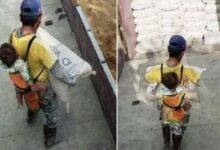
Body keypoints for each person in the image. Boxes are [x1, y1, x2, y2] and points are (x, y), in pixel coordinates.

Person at [9, 0, 75, 148]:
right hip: (40, 86)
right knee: (51, 111)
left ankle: (31, 114)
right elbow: (57, 69)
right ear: (39, 18)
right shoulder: (39, 44)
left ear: (21, 17)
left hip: (23, 84)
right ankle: (49, 140)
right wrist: (71, 80)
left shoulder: (13, 35)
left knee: (30, 100)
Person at [145, 35, 202, 150]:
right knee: (178, 130)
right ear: (182, 52)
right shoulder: (187, 71)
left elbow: (147, 78)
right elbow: (196, 82)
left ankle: (166, 144)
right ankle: (176, 148)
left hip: (164, 107)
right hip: (178, 110)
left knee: (165, 123)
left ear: (168, 50)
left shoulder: (156, 70)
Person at [0, 43, 43, 109]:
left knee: (18, 93)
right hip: (25, 86)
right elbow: (26, 77)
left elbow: (4, 55)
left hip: (17, 85)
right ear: (15, 53)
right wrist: (32, 85)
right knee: (40, 88)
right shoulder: (19, 64)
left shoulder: (4, 65)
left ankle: (20, 104)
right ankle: (40, 101)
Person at [155, 72, 191, 150]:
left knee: (165, 127)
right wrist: (186, 117)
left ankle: (166, 144)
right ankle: (176, 147)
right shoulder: (181, 94)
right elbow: (187, 106)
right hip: (177, 119)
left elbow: (159, 105)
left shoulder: (160, 91)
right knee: (177, 133)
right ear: (177, 84)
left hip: (165, 116)